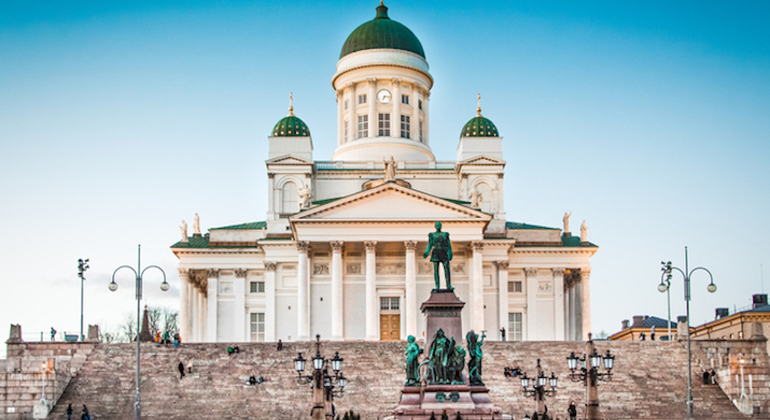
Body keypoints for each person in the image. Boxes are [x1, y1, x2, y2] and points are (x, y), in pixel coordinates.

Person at [423, 221, 453, 290]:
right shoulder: (432, 235)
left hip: (443, 251)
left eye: (439, 225)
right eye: (436, 225)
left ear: (441, 226)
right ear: (435, 226)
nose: (438, 226)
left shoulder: (445, 234)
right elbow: (430, 244)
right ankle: (437, 285)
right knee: (436, 270)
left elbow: (448, 244)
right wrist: (427, 252)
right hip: (436, 251)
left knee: (447, 269)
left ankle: (448, 285)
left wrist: (450, 253)